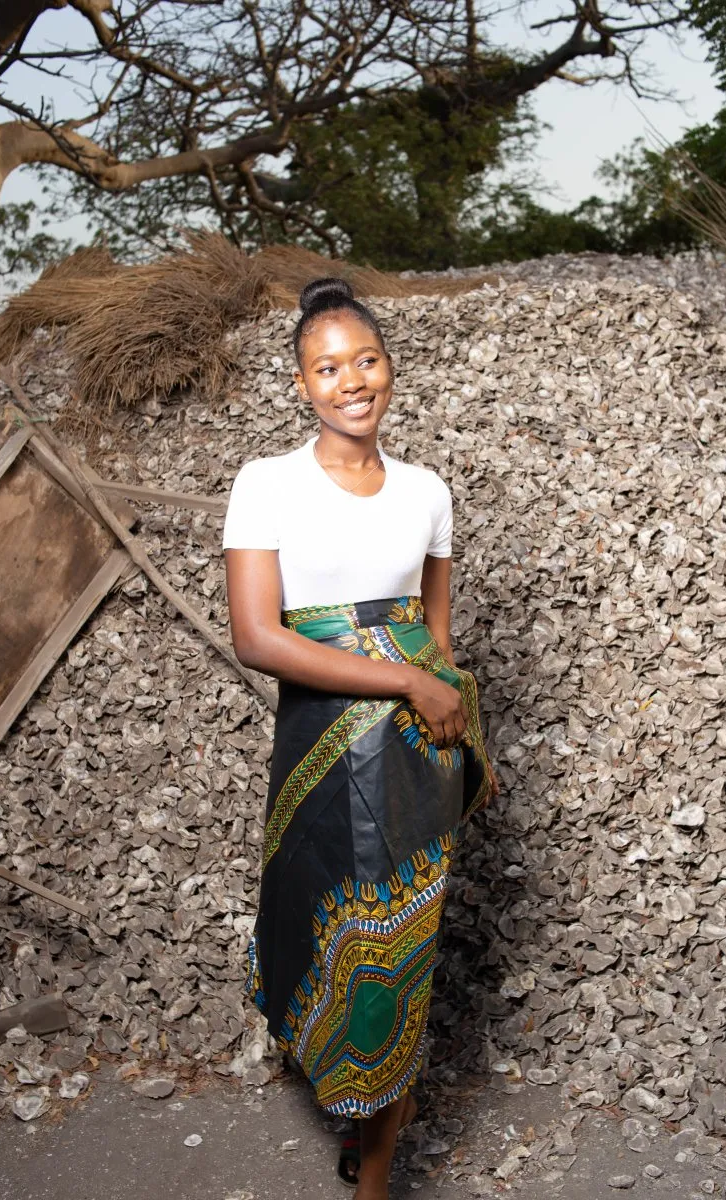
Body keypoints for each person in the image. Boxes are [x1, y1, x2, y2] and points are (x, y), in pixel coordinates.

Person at [223, 276, 497, 1199]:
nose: (352, 380)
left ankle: (376, 1166)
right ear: (302, 385)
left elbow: (439, 635)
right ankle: (365, 1104)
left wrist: (461, 733)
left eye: (366, 360)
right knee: (312, 918)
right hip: (319, 741)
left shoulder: (427, 490)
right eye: (327, 367)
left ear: (391, 368)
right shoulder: (266, 484)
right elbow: (260, 637)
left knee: (394, 943)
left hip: (416, 756)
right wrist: (406, 679)